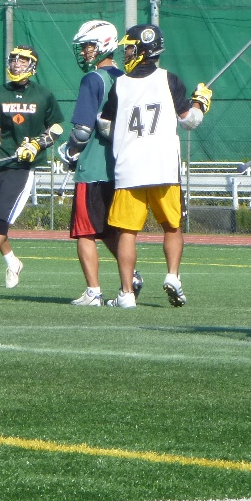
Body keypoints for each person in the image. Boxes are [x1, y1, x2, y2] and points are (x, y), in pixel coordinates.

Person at [98, 23, 212, 309]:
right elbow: (189, 121)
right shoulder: (169, 80)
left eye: (129, 48)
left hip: (129, 168)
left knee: (127, 232)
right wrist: (200, 103)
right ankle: (172, 276)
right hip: (163, 167)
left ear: (143, 49)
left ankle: (126, 293)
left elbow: (104, 125)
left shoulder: (120, 85)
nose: (126, 53)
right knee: (172, 226)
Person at [0, 45, 64, 289]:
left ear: (32, 66)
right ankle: (12, 261)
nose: (17, 64)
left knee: (3, 218)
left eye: (23, 61)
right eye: (14, 59)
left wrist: (36, 145)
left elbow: (56, 127)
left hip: (23, 166)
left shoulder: (43, 95)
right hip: (0, 162)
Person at [57, 20, 142, 306]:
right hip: (121, 167)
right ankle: (130, 279)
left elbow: (82, 131)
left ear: (104, 45)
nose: (84, 52)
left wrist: (69, 151)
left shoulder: (94, 79)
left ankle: (93, 292)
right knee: (111, 230)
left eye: (88, 46)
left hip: (93, 166)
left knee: (85, 231)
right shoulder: (127, 78)